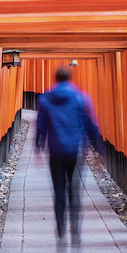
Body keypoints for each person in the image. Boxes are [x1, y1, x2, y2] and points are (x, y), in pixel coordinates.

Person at [33, 63, 104, 243]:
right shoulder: (81, 98)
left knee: (58, 190)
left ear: (55, 79)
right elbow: (91, 125)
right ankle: (76, 231)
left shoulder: (46, 99)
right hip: (75, 151)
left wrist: (38, 147)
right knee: (75, 190)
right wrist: (98, 149)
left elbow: (40, 125)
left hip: (55, 151)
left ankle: (60, 229)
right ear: (70, 78)